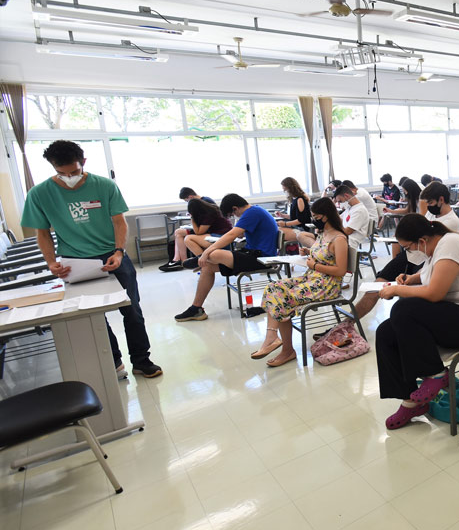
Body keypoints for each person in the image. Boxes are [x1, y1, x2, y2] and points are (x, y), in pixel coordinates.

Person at [21, 140, 162, 378]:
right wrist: (51, 262)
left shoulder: (104, 185)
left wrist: (118, 251)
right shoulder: (39, 194)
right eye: (61, 173)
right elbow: (42, 233)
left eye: (74, 172)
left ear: (83, 162)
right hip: (75, 262)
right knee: (94, 314)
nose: (69, 177)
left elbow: (119, 221)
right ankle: (114, 363)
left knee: (132, 310)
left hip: (113, 256)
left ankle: (141, 360)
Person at [374, 215, 459, 430]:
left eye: (408, 247)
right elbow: (431, 274)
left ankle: (435, 374)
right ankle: (410, 401)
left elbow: (435, 293)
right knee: (386, 332)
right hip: (456, 317)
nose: (409, 252)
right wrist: (411, 279)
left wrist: (396, 289)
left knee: (404, 308)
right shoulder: (436, 248)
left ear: (421, 240)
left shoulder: (450, 243)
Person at [253, 198, 348, 367]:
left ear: (325, 216)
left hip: (327, 285)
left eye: (315, 216)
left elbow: (340, 271)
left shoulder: (339, 239)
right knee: (273, 287)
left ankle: (285, 349)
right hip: (312, 278)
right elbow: (322, 255)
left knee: (282, 297)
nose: (313, 219)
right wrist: (310, 252)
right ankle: (272, 336)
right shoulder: (323, 233)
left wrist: (315, 264)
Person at [355, 181, 459, 320]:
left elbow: (430, 248)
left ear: (441, 200)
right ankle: (347, 323)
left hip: (425, 260)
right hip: (411, 254)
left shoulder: (451, 221)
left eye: (430, 202)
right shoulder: (431, 214)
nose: (427, 206)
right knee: (377, 285)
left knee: (404, 299)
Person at [174, 193, 280, 323]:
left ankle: (200, 259)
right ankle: (196, 308)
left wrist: (207, 252)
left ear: (235, 208)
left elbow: (232, 234)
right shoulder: (254, 211)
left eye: (232, 214)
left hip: (262, 259)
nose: (234, 217)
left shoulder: (252, 212)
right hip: (253, 254)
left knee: (214, 254)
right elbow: (239, 233)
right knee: (207, 267)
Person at [160, 197, 232, 272]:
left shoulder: (209, 214)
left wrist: (192, 217)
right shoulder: (210, 209)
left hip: (221, 237)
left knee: (188, 239)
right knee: (183, 235)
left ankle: (203, 261)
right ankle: (197, 261)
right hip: (219, 234)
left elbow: (199, 232)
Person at [331, 185, 371, 250]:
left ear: (346, 196)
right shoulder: (351, 208)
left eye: (340, 201)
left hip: (350, 241)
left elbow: (347, 232)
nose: (339, 204)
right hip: (343, 238)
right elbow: (339, 219)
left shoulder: (359, 210)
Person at [276, 177, 312, 245]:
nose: (285, 191)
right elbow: (294, 217)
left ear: (289, 188)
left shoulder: (300, 200)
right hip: (297, 227)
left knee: (278, 231)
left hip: (302, 229)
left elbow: (301, 220)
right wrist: (282, 215)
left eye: (285, 190)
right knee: (277, 229)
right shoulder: (294, 199)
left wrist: (285, 224)